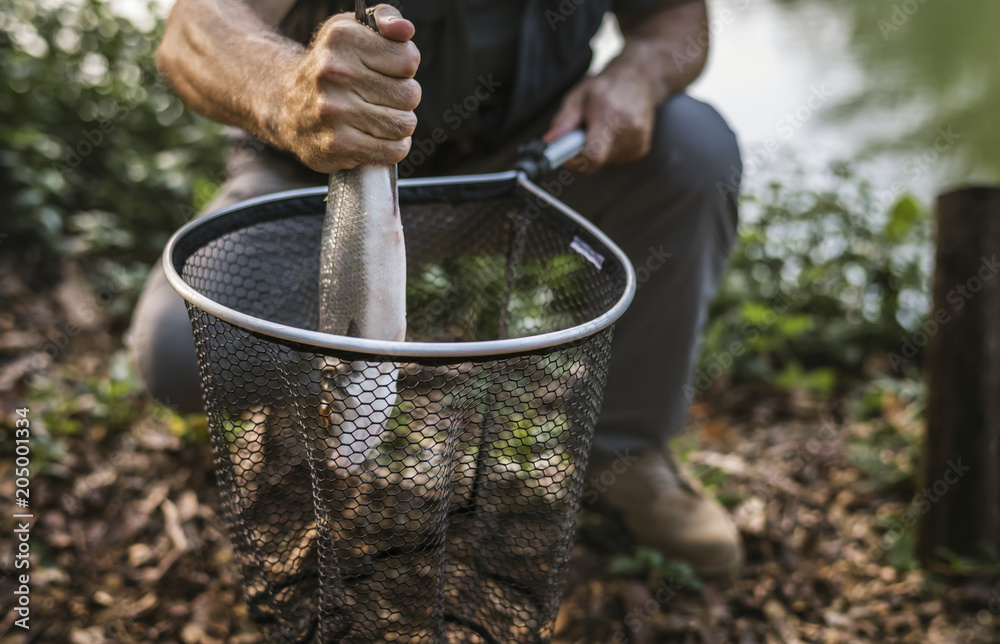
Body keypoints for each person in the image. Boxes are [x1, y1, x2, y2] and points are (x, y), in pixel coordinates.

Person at [130, 0, 743, 580]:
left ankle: (626, 457)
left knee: (694, 151)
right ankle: (302, 407)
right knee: (181, 351)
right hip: (321, 173)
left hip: (536, 161)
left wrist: (639, 73)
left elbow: (677, 19)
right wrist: (290, 92)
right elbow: (192, 29)